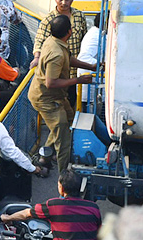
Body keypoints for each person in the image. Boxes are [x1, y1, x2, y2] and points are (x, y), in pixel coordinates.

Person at [28, 14, 94, 175]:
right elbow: (51, 82)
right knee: (63, 137)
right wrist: (78, 80)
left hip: (56, 96)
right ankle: (64, 176)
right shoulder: (56, 53)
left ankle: (46, 156)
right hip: (46, 99)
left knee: (69, 120)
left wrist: (91, 66)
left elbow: (68, 59)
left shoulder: (53, 41)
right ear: (70, 32)